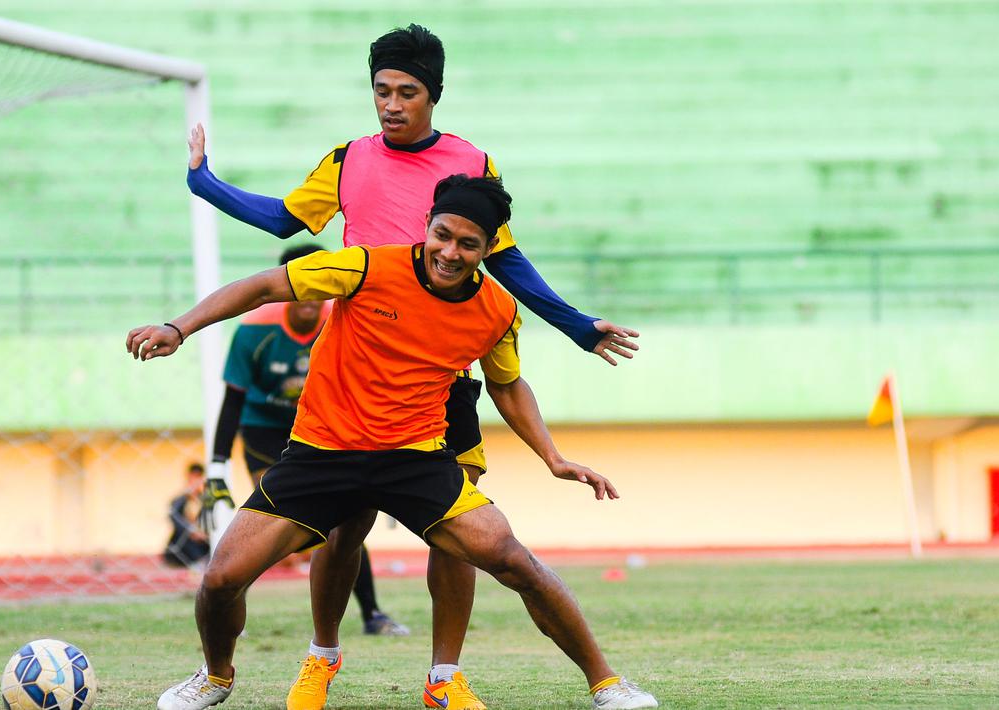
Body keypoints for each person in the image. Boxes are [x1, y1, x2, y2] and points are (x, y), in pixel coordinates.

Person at [186, 24, 641, 709]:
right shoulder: (348, 160)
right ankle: (321, 656)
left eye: (407, 92)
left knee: (460, 537)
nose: (391, 105)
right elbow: (283, 221)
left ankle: (443, 675)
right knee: (342, 526)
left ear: (434, 95)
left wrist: (576, 325)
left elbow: (505, 257)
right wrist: (205, 183)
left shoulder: (473, 165)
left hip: (443, 372)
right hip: (361, 362)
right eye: (382, 91)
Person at [130, 175, 658, 710]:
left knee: (512, 559)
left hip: (414, 459)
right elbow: (264, 287)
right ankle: (217, 676)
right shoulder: (365, 266)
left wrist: (553, 457)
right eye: (442, 234)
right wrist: (180, 327)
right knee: (222, 578)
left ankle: (607, 684)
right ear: (427, 226)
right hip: (322, 454)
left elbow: (506, 384)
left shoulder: (498, 310)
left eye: (468, 243)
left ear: (489, 248)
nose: (449, 252)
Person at [209, 243, 409, 636]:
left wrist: (389, 455)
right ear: (284, 284)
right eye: (301, 283)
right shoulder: (253, 330)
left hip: (326, 428)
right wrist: (217, 466)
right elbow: (233, 399)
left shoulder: (349, 319)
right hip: (267, 430)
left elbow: (373, 387)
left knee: (345, 521)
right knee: (273, 521)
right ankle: (230, 606)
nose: (310, 296)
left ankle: (372, 614)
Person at [163, 463, 211, 568]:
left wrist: (204, 533)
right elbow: (174, 518)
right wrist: (191, 530)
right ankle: (198, 562)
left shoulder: (206, 501)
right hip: (184, 541)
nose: (194, 483)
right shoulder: (179, 500)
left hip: (202, 541)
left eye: (197, 479)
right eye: (191, 479)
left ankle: (203, 561)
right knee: (181, 537)